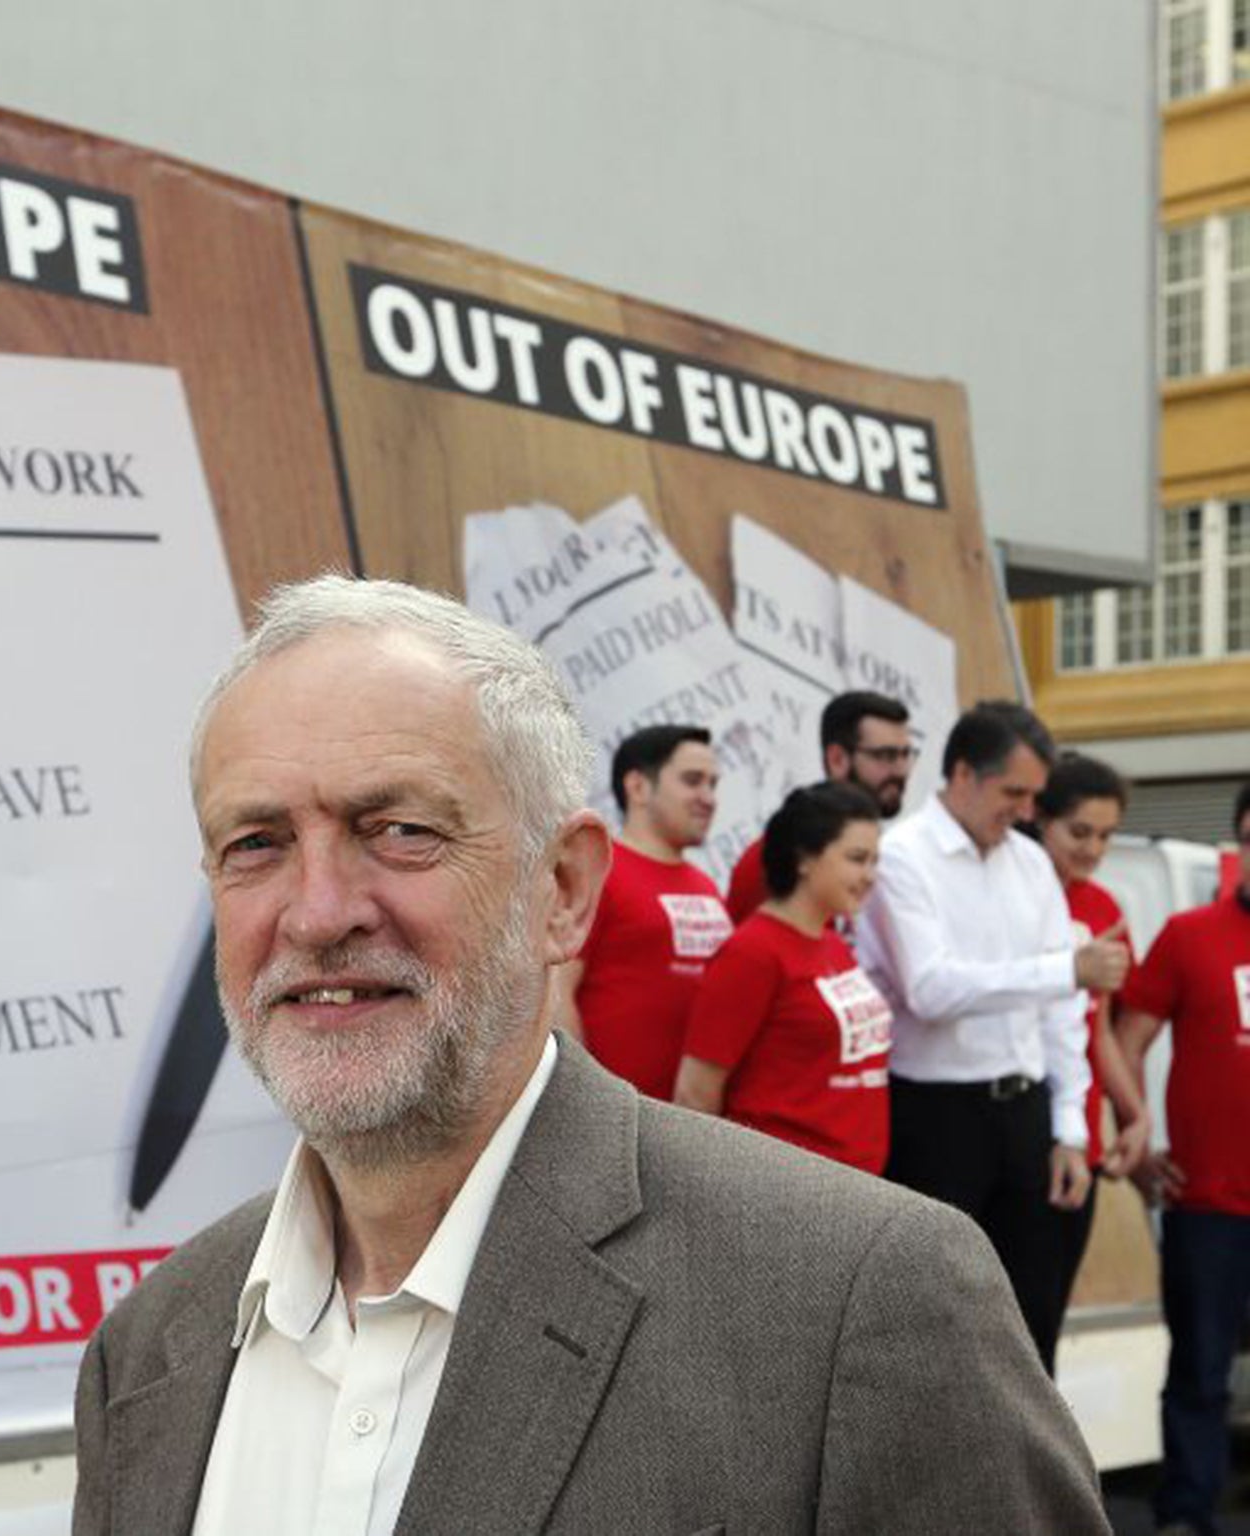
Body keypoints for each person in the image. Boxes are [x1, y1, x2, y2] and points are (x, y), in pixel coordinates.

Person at [72, 576, 1108, 1534]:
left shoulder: (861, 1303)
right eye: (254, 844)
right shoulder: (147, 1352)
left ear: (562, 890)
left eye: (395, 830)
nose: (317, 913)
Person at [854, 700, 1129, 1374]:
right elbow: (932, 989)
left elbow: (1062, 1012)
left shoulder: (1030, 865)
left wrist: (1070, 1128)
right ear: (964, 774)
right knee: (935, 1326)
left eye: (1035, 796)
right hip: (936, 1118)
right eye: (1014, 792)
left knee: (1032, 1328)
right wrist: (1064, 966)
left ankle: (1024, 1481)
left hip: (1027, 1113)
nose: (1027, 810)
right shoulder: (902, 858)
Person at [1114, 783, 1250, 1536]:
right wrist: (1140, 1141)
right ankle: (1187, 1513)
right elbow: (1127, 1042)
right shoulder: (1189, 935)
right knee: (1199, 1369)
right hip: (1209, 1201)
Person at [675, 781, 893, 1174]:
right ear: (805, 859)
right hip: (784, 1189)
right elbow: (695, 1094)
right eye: (857, 859)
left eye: (875, 861)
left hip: (857, 1189)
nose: (870, 875)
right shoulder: (752, 952)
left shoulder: (833, 942)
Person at [1031, 754, 1149, 1341]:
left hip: (1082, 1134)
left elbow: (1098, 1028)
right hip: (1019, 1120)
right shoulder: (1016, 890)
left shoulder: (1102, 907)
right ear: (1040, 818)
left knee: (1049, 1309)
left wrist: (1133, 1113)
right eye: (1079, 832)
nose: (1093, 849)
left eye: (1106, 835)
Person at [559, 723, 730, 1098]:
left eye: (713, 784)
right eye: (692, 780)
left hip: (691, 1121)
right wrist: (584, 1099)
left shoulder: (706, 885)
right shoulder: (598, 870)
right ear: (637, 786)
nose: (708, 797)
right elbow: (557, 989)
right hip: (615, 1117)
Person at [725, 691, 912, 923]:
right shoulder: (781, 854)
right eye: (886, 755)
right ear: (837, 759)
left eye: (906, 755)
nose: (902, 770)